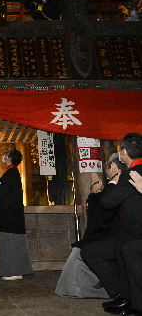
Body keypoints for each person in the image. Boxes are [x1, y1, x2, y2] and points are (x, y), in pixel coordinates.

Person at [81, 133, 142, 315]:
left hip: (133, 233)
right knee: (120, 246)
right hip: (127, 231)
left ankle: (128, 298)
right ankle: (125, 296)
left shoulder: (132, 173)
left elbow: (107, 203)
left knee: (122, 247)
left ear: (123, 153)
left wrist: (114, 180)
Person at [55, 153, 125, 299]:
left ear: (114, 167)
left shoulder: (117, 188)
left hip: (108, 237)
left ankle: (115, 291)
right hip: (114, 235)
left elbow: (100, 212)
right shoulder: (125, 186)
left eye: (108, 165)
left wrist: (94, 191)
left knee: (82, 252)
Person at [0, 149, 33, 281]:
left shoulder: (12, 172)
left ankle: (14, 271)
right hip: (9, 217)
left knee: (11, 244)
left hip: (10, 217)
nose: (4, 157)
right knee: (9, 243)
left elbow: (3, 191)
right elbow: (3, 188)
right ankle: (10, 271)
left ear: (9, 159)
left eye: (6, 155)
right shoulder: (10, 172)